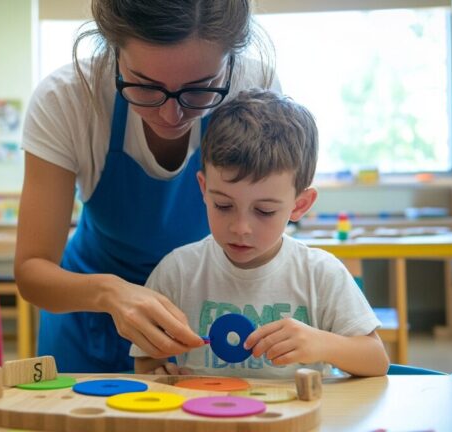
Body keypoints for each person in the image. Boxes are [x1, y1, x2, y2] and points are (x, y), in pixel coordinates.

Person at [15, 0, 278, 372]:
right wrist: (109, 293)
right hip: (89, 317)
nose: (171, 116)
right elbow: (32, 271)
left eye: (200, 90)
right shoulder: (69, 100)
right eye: (145, 87)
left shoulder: (254, 90)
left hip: (202, 316)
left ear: (230, 63)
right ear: (113, 51)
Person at [130, 89, 390, 378]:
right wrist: (160, 373)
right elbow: (145, 362)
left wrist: (324, 344)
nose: (240, 227)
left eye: (264, 211)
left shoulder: (320, 274)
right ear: (204, 189)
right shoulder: (176, 273)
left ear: (299, 205)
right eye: (223, 205)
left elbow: (376, 360)